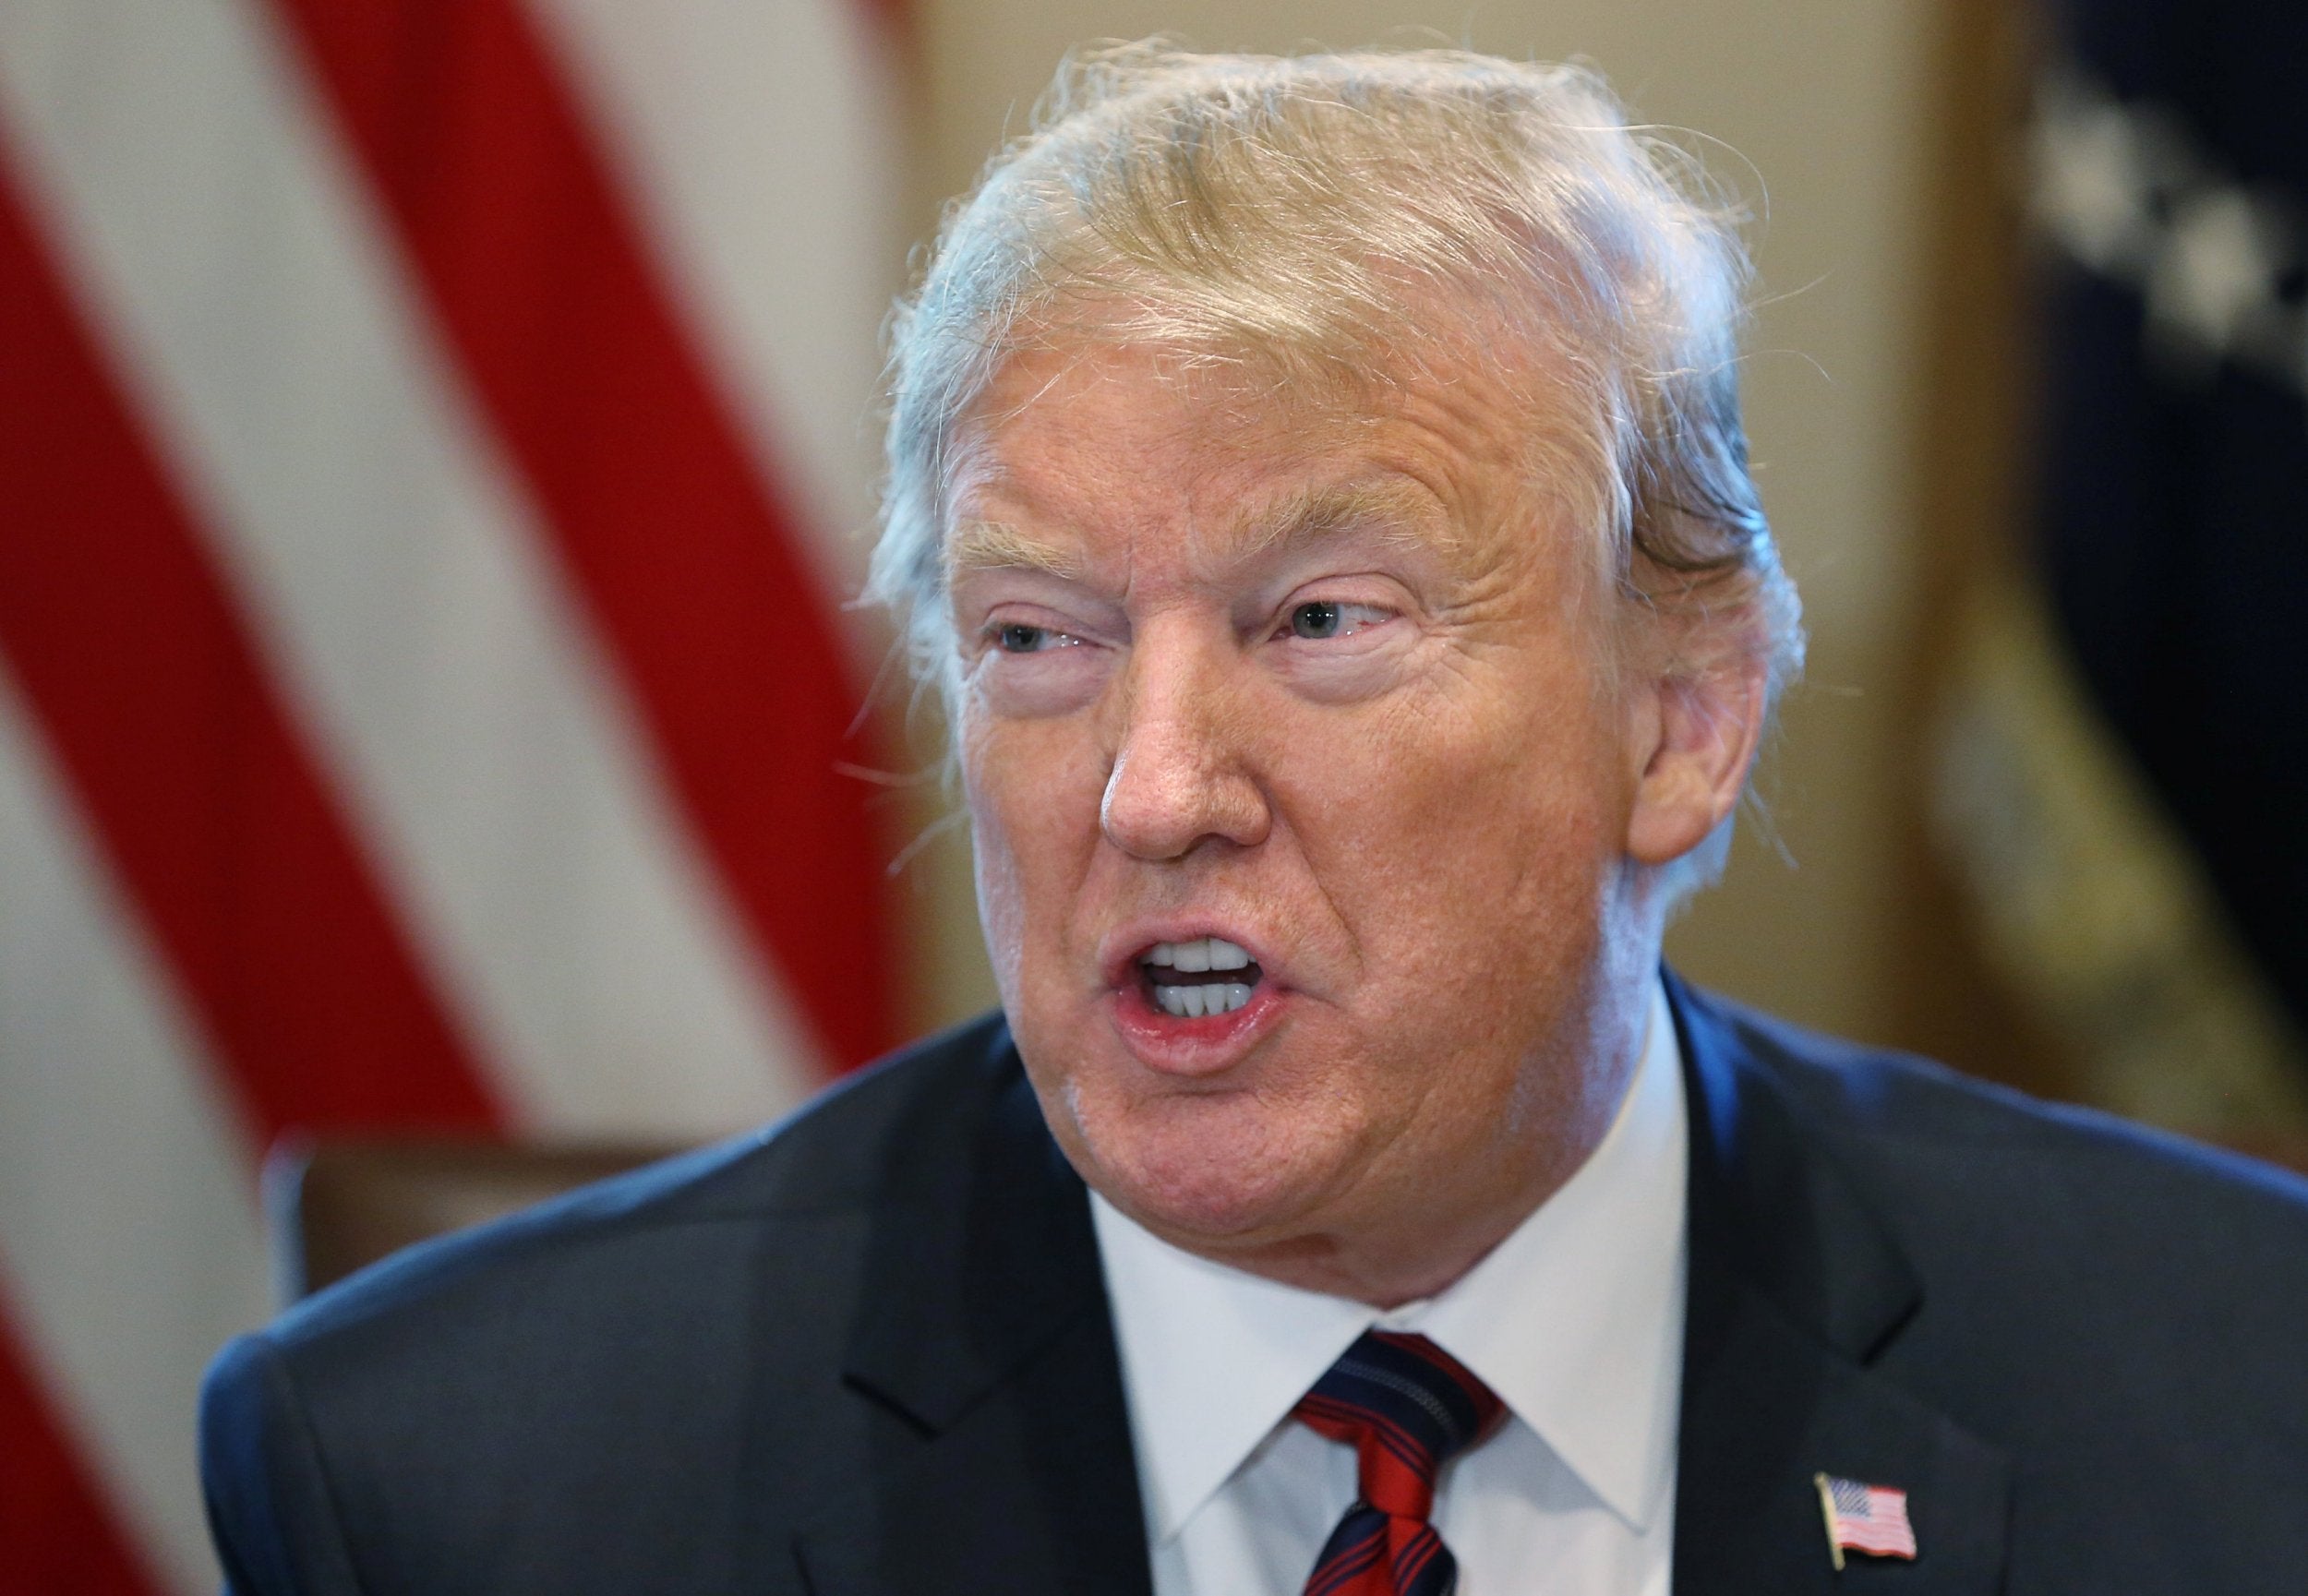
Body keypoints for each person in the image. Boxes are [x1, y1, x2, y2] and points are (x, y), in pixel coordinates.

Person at [199, 44, 2308, 1596]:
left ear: (1680, 721)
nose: (1147, 785)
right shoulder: (454, 1486)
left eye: (1317, 619)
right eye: (1037, 636)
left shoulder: (2238, 1396)